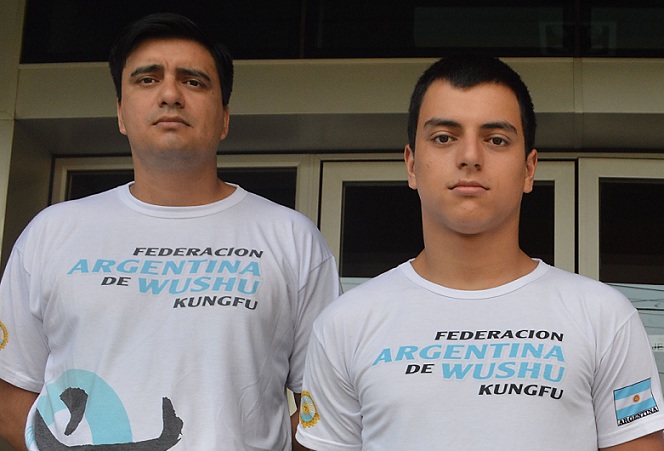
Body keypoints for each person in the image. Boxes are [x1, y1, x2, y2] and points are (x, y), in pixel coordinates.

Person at [0, 12, 340, 450]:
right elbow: (10, 389)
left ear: (224, 118)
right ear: (121, 113)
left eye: (193, 81)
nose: (170, 95)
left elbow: (327, 410)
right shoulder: (53, 232)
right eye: (147, 79)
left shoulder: (292, 239)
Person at [295, 54, 664, 450]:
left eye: (496, 140)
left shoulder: (604, 317)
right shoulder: (345, 324)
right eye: (444, 137)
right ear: (412, 164)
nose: (470, 156)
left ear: (529, 169)